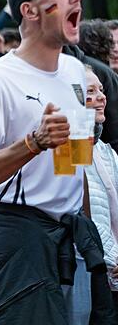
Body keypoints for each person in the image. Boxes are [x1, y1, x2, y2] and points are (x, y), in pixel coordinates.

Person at [0, 0, 116, 323]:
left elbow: (74, 165)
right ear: (28, 10)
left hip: (68, 240)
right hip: (16, 238)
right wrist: (32, 142)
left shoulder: (76, 71)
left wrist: (96, 237)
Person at [82, 66, 118, 305]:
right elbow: (82, 215)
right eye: (90, 91)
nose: (102, 97)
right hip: (90, 275)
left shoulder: (105, 151)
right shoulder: (66, 153)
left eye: (101, 90)